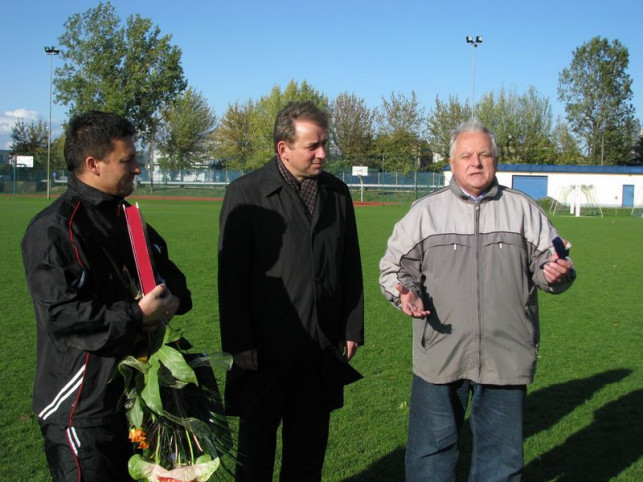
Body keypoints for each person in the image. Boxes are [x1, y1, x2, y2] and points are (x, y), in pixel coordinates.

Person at [379, 120, 576, 481]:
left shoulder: (523, 210)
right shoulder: (426, 212)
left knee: (500, 462)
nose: (476, 162)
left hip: (506, 354)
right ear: (451, 164)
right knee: (429, 458)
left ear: (496, 161)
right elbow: (393, 269)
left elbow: (554, 263)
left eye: (484, 154)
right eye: (466, 155)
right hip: (439, 354)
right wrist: (403, 293)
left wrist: (556, 274)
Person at [21, 110, 192, 481]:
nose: (138, 168)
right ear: (93, 164)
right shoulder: (54, 229)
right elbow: (63, 317)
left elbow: (171, 276)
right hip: (82, 408)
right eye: (128, 160)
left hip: (137, 400)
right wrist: (137, 314)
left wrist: (173, 299)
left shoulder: (128, 218)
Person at [218, 101, 364, 481]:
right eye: (313, 146)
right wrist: (239, 341)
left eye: (324, 143)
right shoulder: (246, 193)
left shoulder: (337, 192)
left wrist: (351, 327)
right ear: (283, 148)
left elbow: (349, 263)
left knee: (308, 455)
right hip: (263, 351)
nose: (323, 153)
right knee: (255, 456)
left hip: (319, 350)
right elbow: (231, 277)